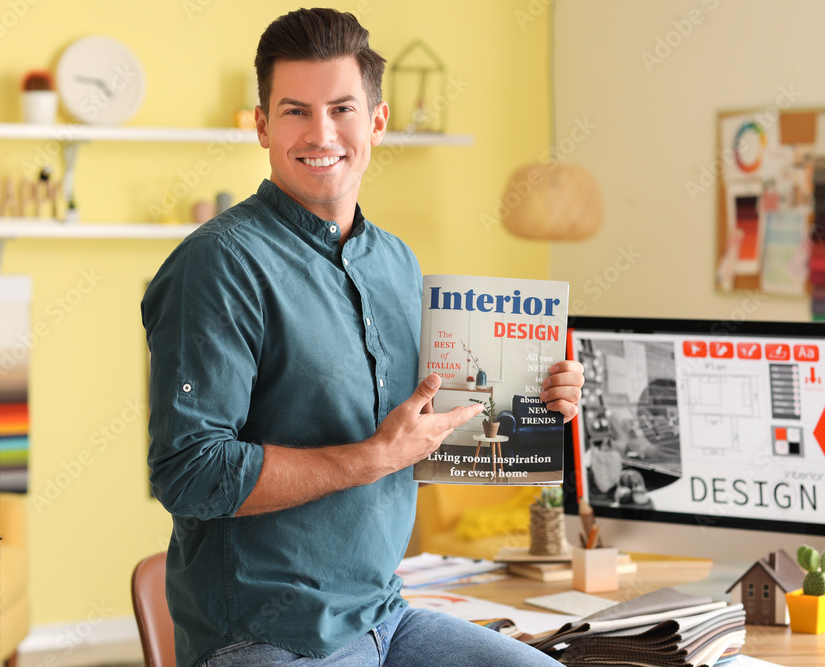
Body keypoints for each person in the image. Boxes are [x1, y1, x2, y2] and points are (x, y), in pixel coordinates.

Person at [141, 7, 584, 667]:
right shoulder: (219, 263)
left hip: (384, 615)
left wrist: (534, 405)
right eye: (294, 110)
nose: (321, 132)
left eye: (342, 108)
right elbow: (188, 471)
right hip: (266, 635)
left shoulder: (398, 263)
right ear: (261, 124)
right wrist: (370, 458)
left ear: (376, 122)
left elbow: (418, 445)